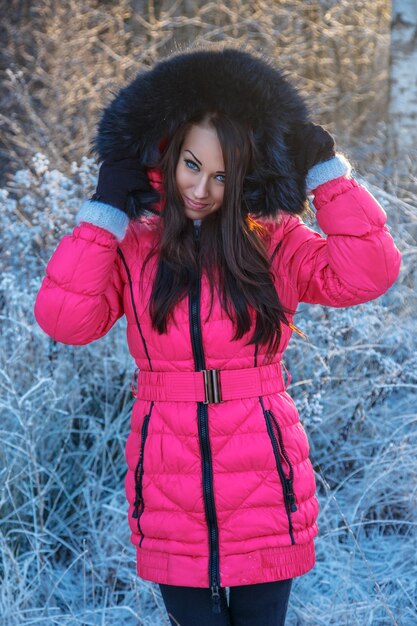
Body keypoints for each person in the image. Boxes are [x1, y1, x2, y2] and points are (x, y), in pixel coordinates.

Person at [33, 44, 402, 626]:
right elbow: (63, 319)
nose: (202, 189)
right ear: (167, 157)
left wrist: (325, 174)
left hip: (264, 476)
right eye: (191, 166)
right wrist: (105, 210)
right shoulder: (134, 245)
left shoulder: (275, 240)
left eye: (222, 174)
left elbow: (371, 271)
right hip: (167, 478)